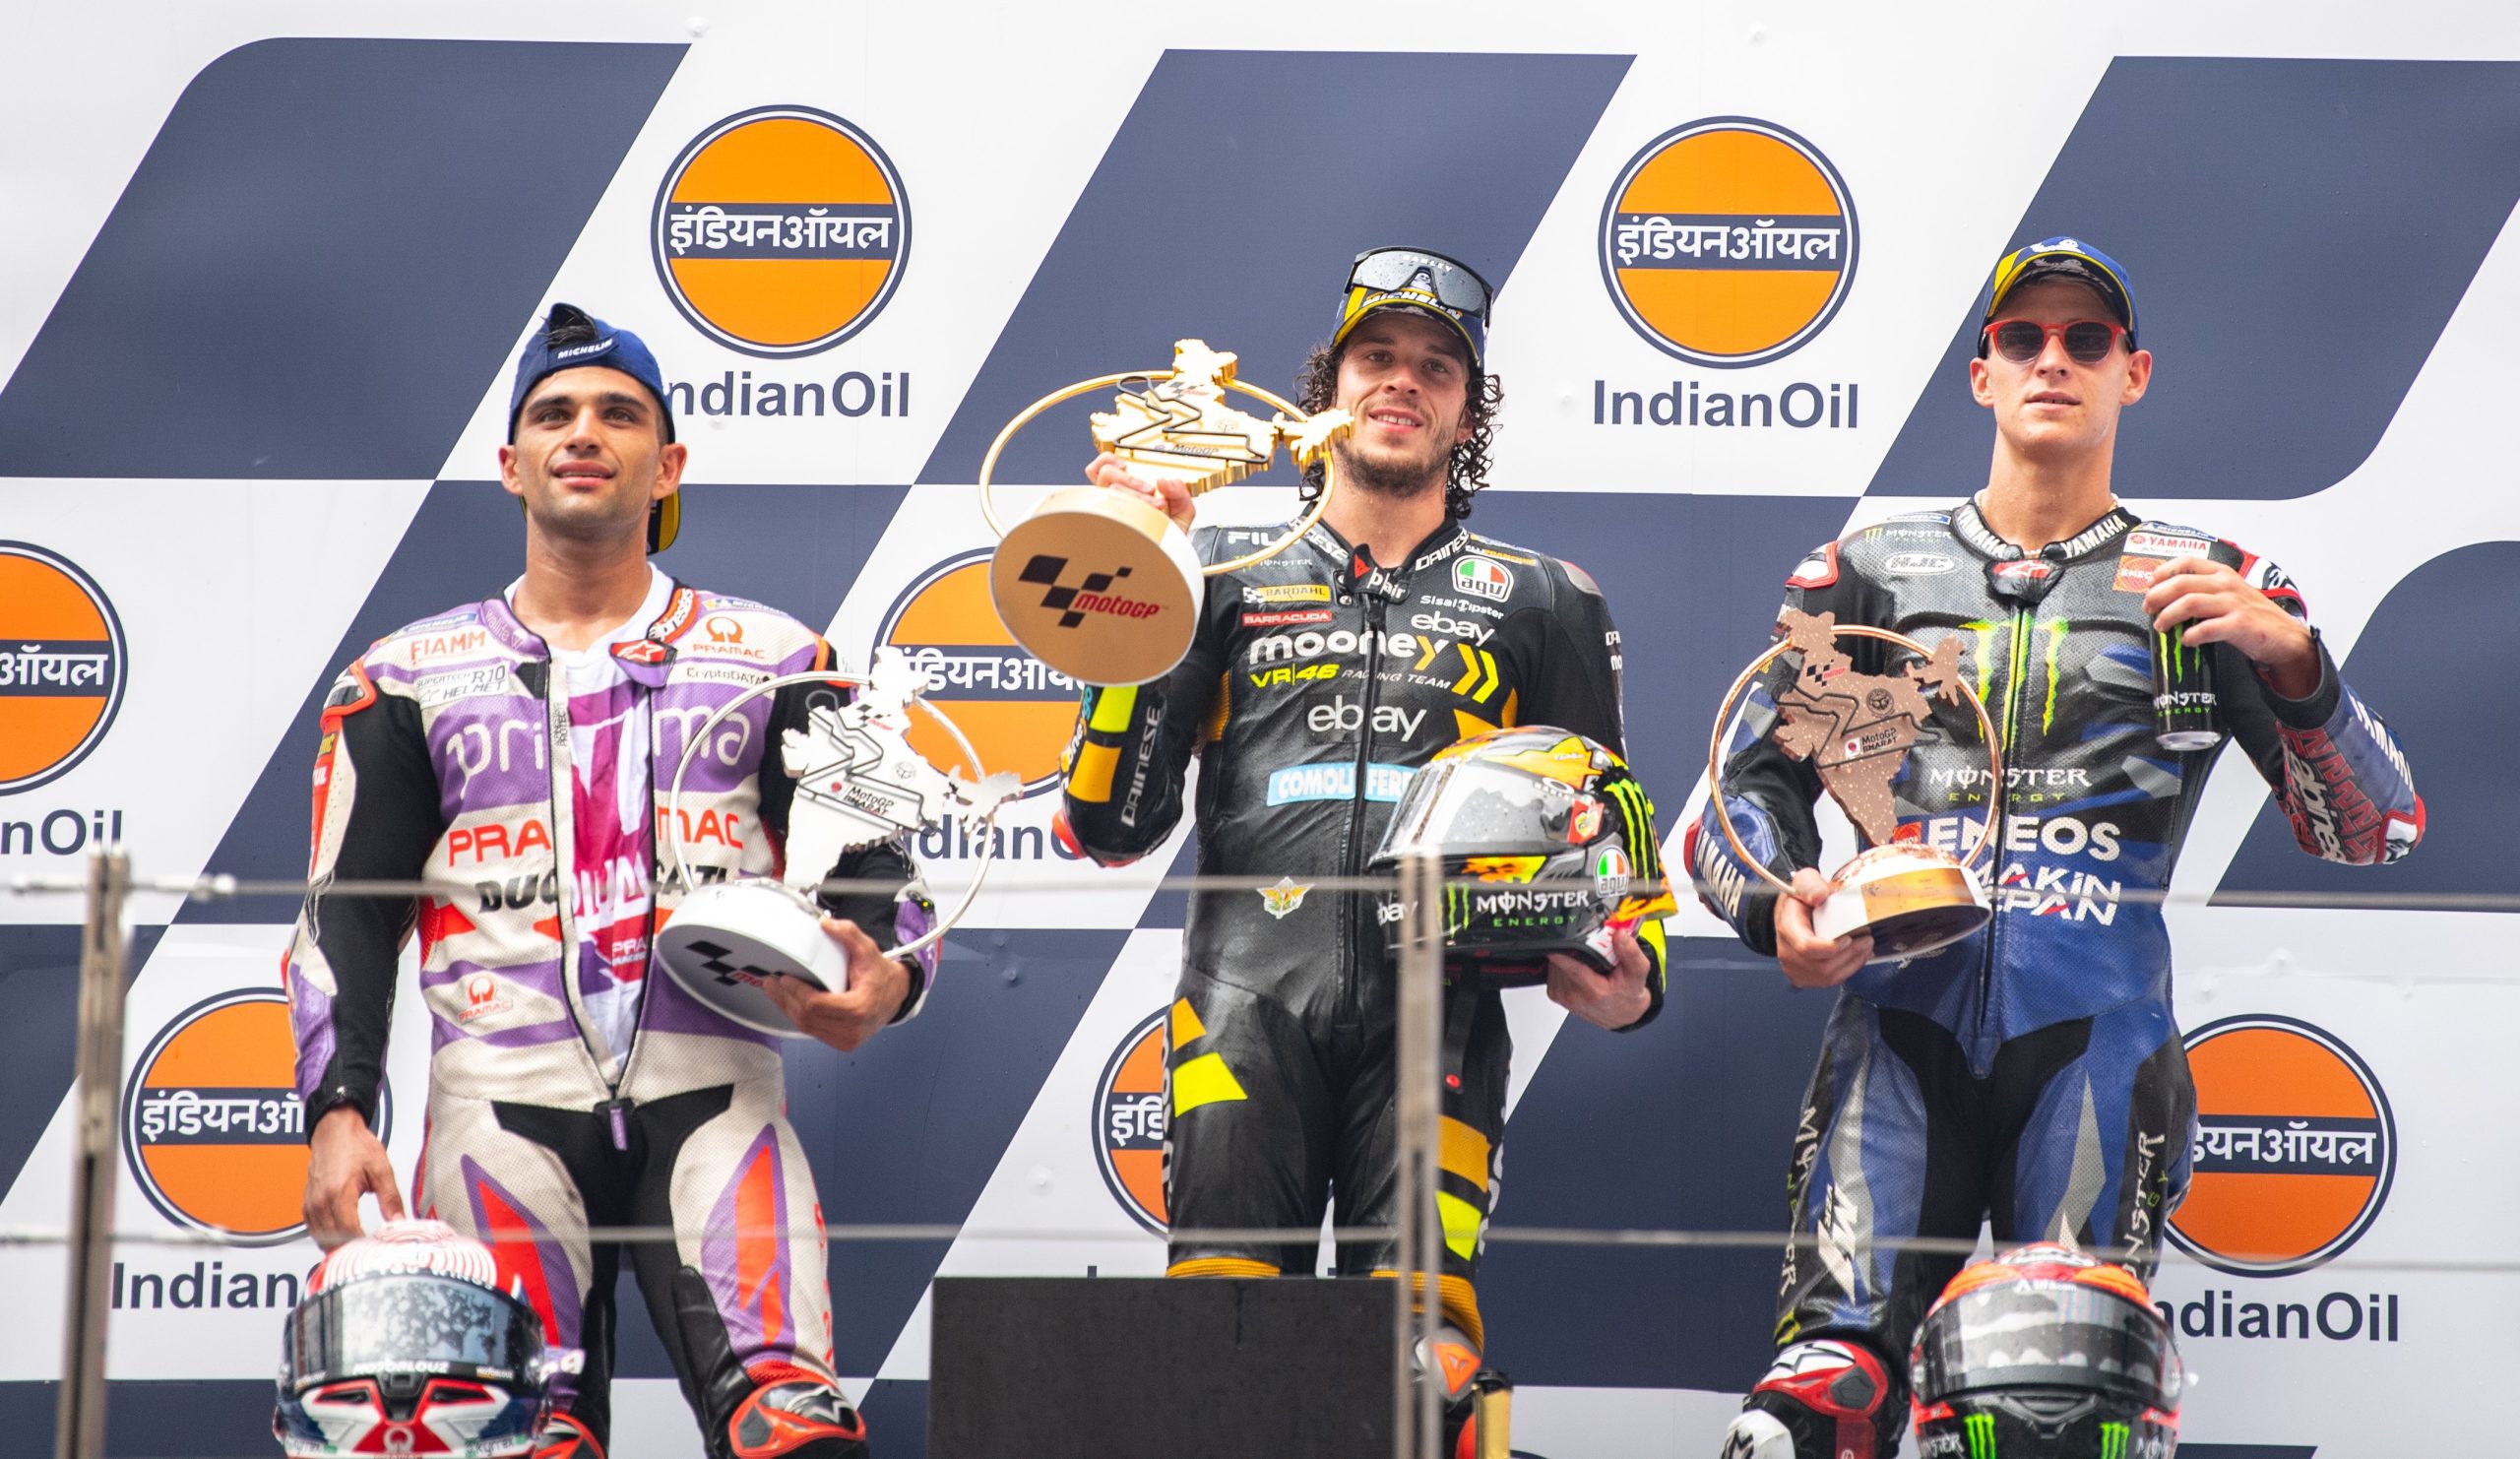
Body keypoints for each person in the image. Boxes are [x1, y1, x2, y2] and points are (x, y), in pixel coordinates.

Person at [1689, 239, 2426, 1459]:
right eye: (2021, 339)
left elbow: (2374, 830)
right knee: (1822, 1402)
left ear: (2133, 373)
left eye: (2086, 340)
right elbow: (1733, 796)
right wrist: (1779, 912)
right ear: (1981, 374)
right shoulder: (1869, 572)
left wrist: (2296, 662)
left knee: (2065, 1408)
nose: (2052, 360)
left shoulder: (2211, 586)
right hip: (1894, 1036)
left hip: (2098, 1045)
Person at [285, 303, 938, 1459]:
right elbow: (346, 919)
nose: (583, 433)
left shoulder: (781, 657)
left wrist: (884, 981)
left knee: (792, 1429)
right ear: (510, 463)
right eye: (554, 415)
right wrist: (339, 1111)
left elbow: (880, 879)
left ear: (667, 463)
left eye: (618, 415)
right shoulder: (405, 676)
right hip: (497, 1109)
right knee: (517, 1438)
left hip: (719, 1097)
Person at [1055, 247, 1670, 1437]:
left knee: (1424, 1362)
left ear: (1467, 412)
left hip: (1439, 1025)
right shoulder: (1215, 576)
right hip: (1240, 1010)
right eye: (1375, 356)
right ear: (1325, 393)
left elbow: (1609, 842)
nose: (1402, 381)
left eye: (1436, 367)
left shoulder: (1544, 597)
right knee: (1221, 1346)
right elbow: (1108, 825)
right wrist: (1131, 584)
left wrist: (1631, 975)